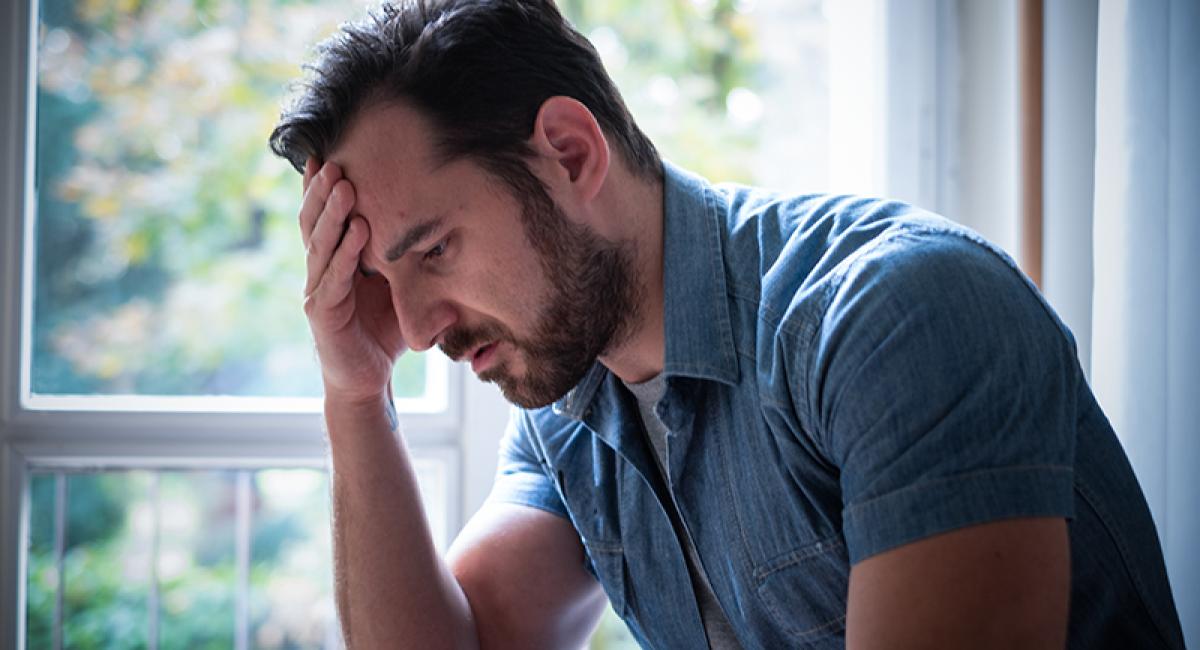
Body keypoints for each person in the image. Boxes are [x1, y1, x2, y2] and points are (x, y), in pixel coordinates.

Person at [268, 1, 1185, 648]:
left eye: (433, 251)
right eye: (385, 279)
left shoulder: (895, 316)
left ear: (570, 153)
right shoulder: (571, 417)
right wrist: (357, 395)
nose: (420, 330)